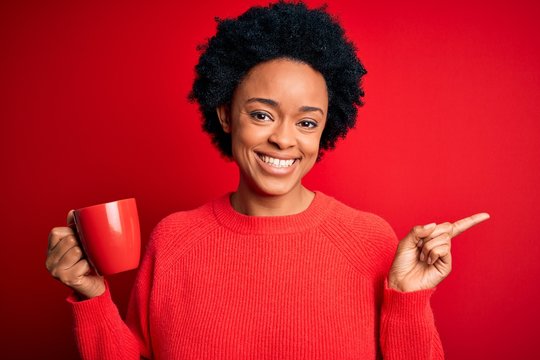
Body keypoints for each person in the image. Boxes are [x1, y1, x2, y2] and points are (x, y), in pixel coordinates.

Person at [45, 1, 489, 359]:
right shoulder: (173, 240)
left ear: (324, 130)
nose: (283, 139)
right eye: (261, 114)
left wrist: (408, 300)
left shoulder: (370, 240)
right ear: (225, 115)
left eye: (307, 122)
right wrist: (91, 298)